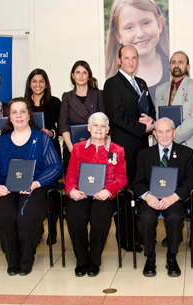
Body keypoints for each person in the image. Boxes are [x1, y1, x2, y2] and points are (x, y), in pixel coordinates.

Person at [0, 98, 63, 276]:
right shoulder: (2, 141)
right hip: (7, 188)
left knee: (25, 216)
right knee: (2, 216)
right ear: (9, 117)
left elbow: (55, 167)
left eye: (23, 111)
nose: (19, 115)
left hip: (35, 187)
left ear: (29, 115)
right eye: (14, 112)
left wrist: (36, 183)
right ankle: (13, 260)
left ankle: (26, 259)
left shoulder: (41, 138)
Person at [103, 45, 155, 252]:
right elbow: (117, 117)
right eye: (127, 58)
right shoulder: (112, 84)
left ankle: (139, 234)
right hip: (123, 149)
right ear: (118, 60)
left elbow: (149, 108)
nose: (131, 62)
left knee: (139, 191)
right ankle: (125, 238)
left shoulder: (141, 83)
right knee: (125, 194)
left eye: (134, 58)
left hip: (142, 148)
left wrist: (151, 120)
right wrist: (143, 128)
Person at [132, 118, 193, 277]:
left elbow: (191, 179)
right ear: (154, 134)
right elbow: (137, 182)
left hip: (173, 197)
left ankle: (171, 257)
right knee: (146, 217)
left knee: (175, 217)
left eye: (168, 131)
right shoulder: (144, 154)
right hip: (151, 197)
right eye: (160, 132)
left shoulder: (186, 153)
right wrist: (147, 196)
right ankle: (150, 258)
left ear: (174, 133)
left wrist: (175, 196)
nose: (164, 135)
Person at [65, 112, 127, 277]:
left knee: (99, 217)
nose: (99, 129)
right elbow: (70, 175)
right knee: (75, 215)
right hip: (81, 193)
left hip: (105, 195)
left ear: (107, 129)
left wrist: (108, 190)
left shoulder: (117, 150)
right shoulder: (78, 149)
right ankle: (82, 259)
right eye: (95, 125)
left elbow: (122, 179)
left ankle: (94, 260)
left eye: (102, 126)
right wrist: (72, 190)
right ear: (88, 128)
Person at [154, 51, 193, 249]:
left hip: (186, 146)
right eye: (173, 62)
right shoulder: (161, 89)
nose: (177, 65)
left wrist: (171, 138)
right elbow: (160, 119)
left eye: (181, 62)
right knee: (168, 189)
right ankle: (173, 231)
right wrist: (164, 140)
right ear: (169, 66)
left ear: (188, 66)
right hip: (165, 149)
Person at [24, 68, 62, 245]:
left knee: (50, 189)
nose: (37, 85)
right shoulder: (23, 104)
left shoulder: (54, 102)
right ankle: (35, 228)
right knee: (31, 188)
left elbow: (62, 126)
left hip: (50, 150)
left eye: (41, 81)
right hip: (29, 151)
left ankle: (52, 229)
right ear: (29, 84)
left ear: (46, 84)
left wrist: (52, 133)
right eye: (34, 81)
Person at [105, 0, 170, 97]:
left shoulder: (172, 67)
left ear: (159, 24)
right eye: (129, 27)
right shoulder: (109, 78)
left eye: (146, 23)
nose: (140, 34)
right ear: (118, 35)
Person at [60, 60, 104, 173]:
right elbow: (63, 124)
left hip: (96, 146)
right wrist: (71, 148)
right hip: (72, 147)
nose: (81, 76)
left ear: (89, 75)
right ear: (72, 75)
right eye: (78, 72)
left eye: (84, 72)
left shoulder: (98, 94)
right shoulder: (67, 97)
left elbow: (104, 121)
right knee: (73, 185)